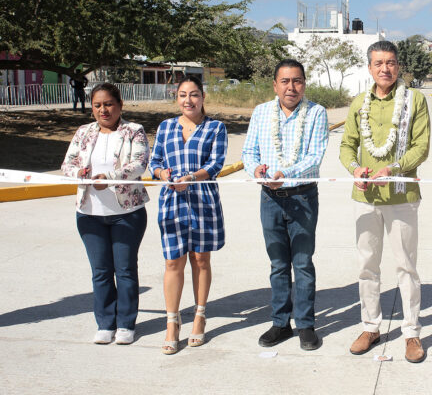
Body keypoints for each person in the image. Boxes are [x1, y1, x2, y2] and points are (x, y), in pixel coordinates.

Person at [339, 40, 431, 363]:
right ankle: (370, 326)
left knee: (406, 265)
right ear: (369, 68)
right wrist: (355, 169)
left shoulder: (414, 100)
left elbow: (421, 146)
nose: (385, 69)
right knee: (367, 264)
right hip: (365, 195)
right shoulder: (357, 104)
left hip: (401, 195)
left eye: (390, 62)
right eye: (378, 63)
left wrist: (393, 168)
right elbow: (347, 147)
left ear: (398, 66)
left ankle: (411, 333)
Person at [242, 59, 329, 351]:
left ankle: (305, 324)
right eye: (285, 81)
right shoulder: (261, 112)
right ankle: (281, 323)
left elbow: (314, 157)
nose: (291, 87)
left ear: (304, 83)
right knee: (278, 264)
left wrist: (285, 173)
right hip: (269, 198)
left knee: (302, 263)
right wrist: (255, 170)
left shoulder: (316, 113)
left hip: (302, 197)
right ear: (275, 85)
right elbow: (249, 151)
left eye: (297, 81)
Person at [61, 83, 149, 345]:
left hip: (126, 212)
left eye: (108, 104)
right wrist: (80, 174)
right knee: (100, 271)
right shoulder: (83, 132)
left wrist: (108, 177)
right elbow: (68, 164)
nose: (103, 110)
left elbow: (138, 164)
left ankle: (125, 324)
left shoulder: (134, 131)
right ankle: (104, 323)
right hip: (89, 213)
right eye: (97, 105)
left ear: (120, 105)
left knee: (124, 270)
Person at [149, 74, 228, 355]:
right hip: (172, 201)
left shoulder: (215, 128)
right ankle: (172, 322)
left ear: (203, 97)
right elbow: (154, 161)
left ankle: (199, 315)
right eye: (183, 95)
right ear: (177, 98)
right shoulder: (165, 127)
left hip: (203, 201)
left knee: (200, 259)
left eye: (194, 94)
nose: (188, 100)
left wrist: (192, 177)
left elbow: (216, 163)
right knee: (173, 262)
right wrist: (162, 173)